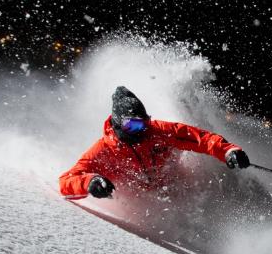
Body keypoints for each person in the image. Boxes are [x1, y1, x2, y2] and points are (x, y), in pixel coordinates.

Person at [59, 86, 250, 200]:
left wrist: (228, 151)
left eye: (144, 123)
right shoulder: (104, 150)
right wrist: (90, 183)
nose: (141, 130)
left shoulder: (157, 132)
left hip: (175, 189)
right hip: (141, 202)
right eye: (132, 125)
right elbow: (66, 180)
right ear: (118, 124)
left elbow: (200, 138)